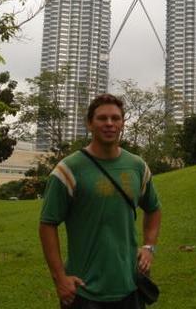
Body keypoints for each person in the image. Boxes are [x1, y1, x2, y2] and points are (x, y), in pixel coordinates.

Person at [39, 93, 162, 308]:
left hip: (130, 287)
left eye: (115, 118)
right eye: (102, 118)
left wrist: (149, 246)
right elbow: (47, 224)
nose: (109, 124)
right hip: (84, 290)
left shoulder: (137, 166)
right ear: (89, 123)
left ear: (123, 123)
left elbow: (153, 208)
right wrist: (60, 278)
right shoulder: (68, 170)